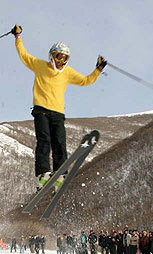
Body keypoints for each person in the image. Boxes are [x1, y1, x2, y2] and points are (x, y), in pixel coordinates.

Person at [11, 24, 107, 192]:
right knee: (44, 141)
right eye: (58, 57)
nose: (61, 61)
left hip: (58, 113)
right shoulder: (40, 66)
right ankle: (43, 175)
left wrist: (98, 69)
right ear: (51, 56)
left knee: (60, 144)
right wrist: (18, 37)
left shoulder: (67, 73)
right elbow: (24, 56)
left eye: (64, 58)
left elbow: (85, 81)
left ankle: (60, 176)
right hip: (41, 111)